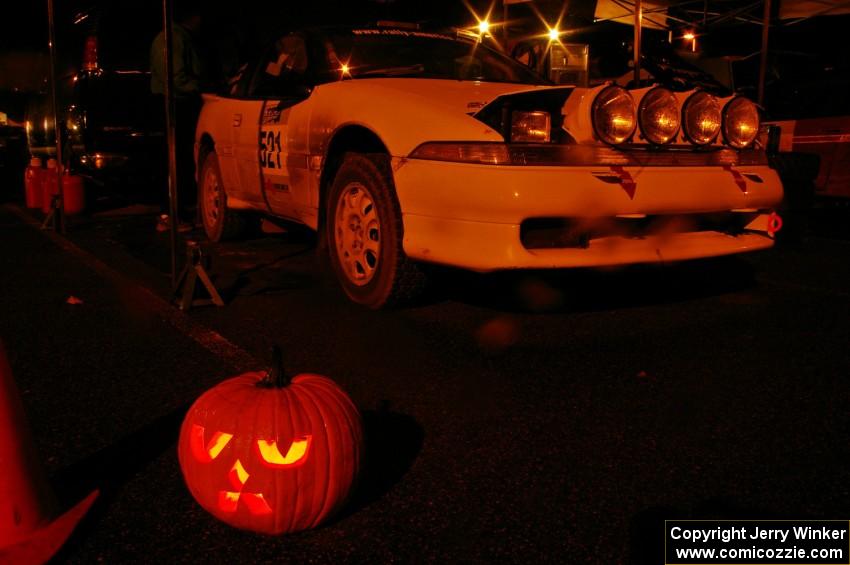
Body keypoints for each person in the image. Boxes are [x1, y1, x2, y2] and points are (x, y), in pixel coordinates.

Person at [150, 3, 204, 232]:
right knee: (176, 159)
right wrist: (202, 87)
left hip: (174, 103)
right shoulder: (173, 39)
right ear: (193, 17)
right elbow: (176, 78)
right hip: (175, 105)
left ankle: (175, 212)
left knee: (176, 159)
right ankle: (171, 214)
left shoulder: (174, 37)